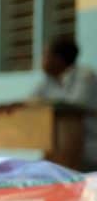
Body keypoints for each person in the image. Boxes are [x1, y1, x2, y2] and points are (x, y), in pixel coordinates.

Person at [33, 37, 97, 170]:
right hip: (61, 149)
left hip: (88, 147)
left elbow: (75, 106)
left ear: (58, 59)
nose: (42, 61)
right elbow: (32, 100)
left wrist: (43, 103)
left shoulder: (85, 76)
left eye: (46, 55)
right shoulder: (49, 81)